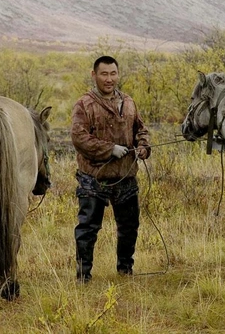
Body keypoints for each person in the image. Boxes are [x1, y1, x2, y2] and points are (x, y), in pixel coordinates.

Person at [70, 55, 151, 283]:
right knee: (88, 229)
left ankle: (125, 271)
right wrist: (109, 149)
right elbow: (79, 138)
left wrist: (144, 146)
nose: (109, 79)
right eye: (104, 74)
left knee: (129, 226)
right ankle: (83, 276)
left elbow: (141, 130)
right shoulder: (84, 104)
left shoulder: (128, 102)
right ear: (94, 75)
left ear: (118, 74)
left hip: (126, 178)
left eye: (113, 73)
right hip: (94, 179)